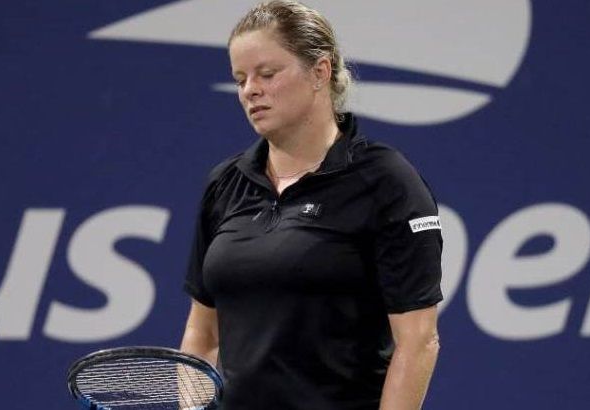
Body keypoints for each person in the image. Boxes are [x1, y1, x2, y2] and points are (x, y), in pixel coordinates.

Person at [180, 1, 442, 409]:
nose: (250, 90)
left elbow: (419, 341)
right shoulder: (224, 184)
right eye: (240, 79)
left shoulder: (386, 181)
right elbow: (203, 335)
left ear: (320, 72)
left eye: (267, 74)